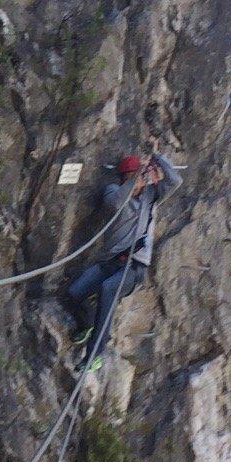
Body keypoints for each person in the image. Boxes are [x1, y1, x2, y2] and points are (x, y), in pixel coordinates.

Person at [63, 149, 183, 361]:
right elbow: (117, 203)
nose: (138, 180)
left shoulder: (150, 196)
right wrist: (135, 179)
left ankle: (94, 355)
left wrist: (156, 157)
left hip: (134, 267)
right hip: (109, 263)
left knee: (107, 289)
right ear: (124, 178)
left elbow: (174, 180)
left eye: (138, 176)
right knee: (73, 293)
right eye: (132, 176)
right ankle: (86, 324)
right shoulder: (112, 191)